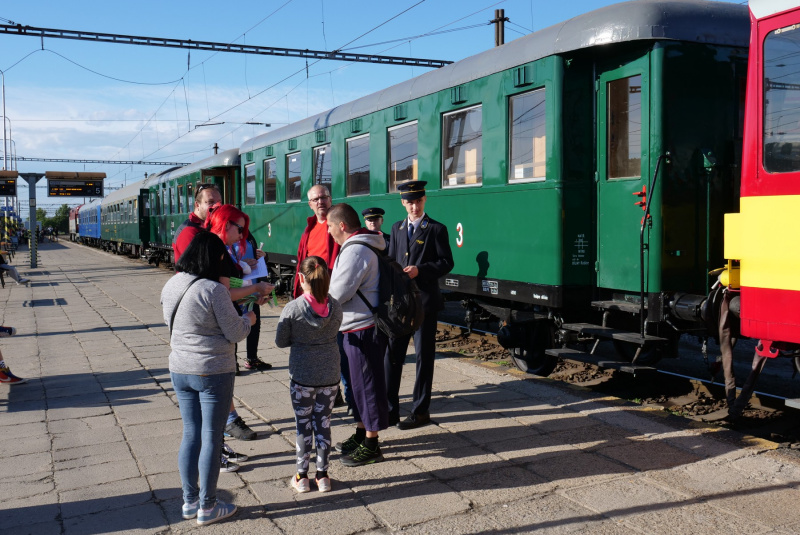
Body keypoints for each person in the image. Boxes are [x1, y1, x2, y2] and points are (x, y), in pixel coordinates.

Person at [161, 232, 255, 526]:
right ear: (215, 258)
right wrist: (249, 319)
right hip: (213, 370)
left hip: (180, 368)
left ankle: (190, 502)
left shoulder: (172, 283)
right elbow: (236, 332)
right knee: (212, 438)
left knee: (191, 434)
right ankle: (209, 506)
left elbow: (170, 322)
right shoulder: (213, 290)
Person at [385, 181, 454, 430]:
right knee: (392, 356)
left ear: (424, 201)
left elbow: (447, 262)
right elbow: (392, 260)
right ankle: (390, 410)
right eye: (409, 202)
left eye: (418, 201)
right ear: (403, 203)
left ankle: (420, 411)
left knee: (424, 358)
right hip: (401, 305)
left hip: (425, 303)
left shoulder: (436, 229)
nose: (414, 206)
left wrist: (420, 271)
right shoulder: (396, 228)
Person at [205, 205, 275, 442]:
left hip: (213, 323)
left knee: (220, 381)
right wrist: (254, 290)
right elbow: (223, 292)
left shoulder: (216, 247)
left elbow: (227, 290)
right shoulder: (216, 250)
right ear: (226, 225)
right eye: (240, 229)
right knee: (217, 382)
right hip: (211, 328)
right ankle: (223, 434)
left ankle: (226, 425)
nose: (243, 235)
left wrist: (253, 296)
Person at [326, 203, 390, 466]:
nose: (328, 231)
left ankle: (372, 443)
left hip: (362, 329)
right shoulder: (357, 247)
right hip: (354, 327)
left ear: (341, 226)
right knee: (358, 387)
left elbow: (338, 294)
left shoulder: (355, 251)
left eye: (330, 226)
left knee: (367, 387)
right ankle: (362, 432)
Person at [276, 256, 343, 493]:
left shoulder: (293, 308)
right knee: (323, 423)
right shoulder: (336, 306)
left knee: (303, 425)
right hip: (330, 374)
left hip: (303, 376)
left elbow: (281, 341)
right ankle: (323, 476)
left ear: (301, 278)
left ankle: (301, 477)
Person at [232, 231, 271, 371]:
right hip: (235, 288)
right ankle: (232, 362)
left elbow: (256, 256)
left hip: (252, 287)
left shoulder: (247, 235)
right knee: (233, 324)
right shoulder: (223, 238)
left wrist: (264, 256)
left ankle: (252, 359)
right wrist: (241, 264)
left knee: (255, 324)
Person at [293, 184, 340, 298]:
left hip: (331, 287)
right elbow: (301, 260)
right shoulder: (308, 229)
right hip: (311, 289)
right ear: (310, 204)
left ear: (330, 199)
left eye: (323, 197)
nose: (320, 202)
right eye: (315, 199)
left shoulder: (340, 225)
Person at [173, 183, 222, 264]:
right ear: (197, 205)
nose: (217, 206)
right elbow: (199, 265)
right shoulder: (188, 232)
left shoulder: (210, 227)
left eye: (219, 202)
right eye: (211, 202)